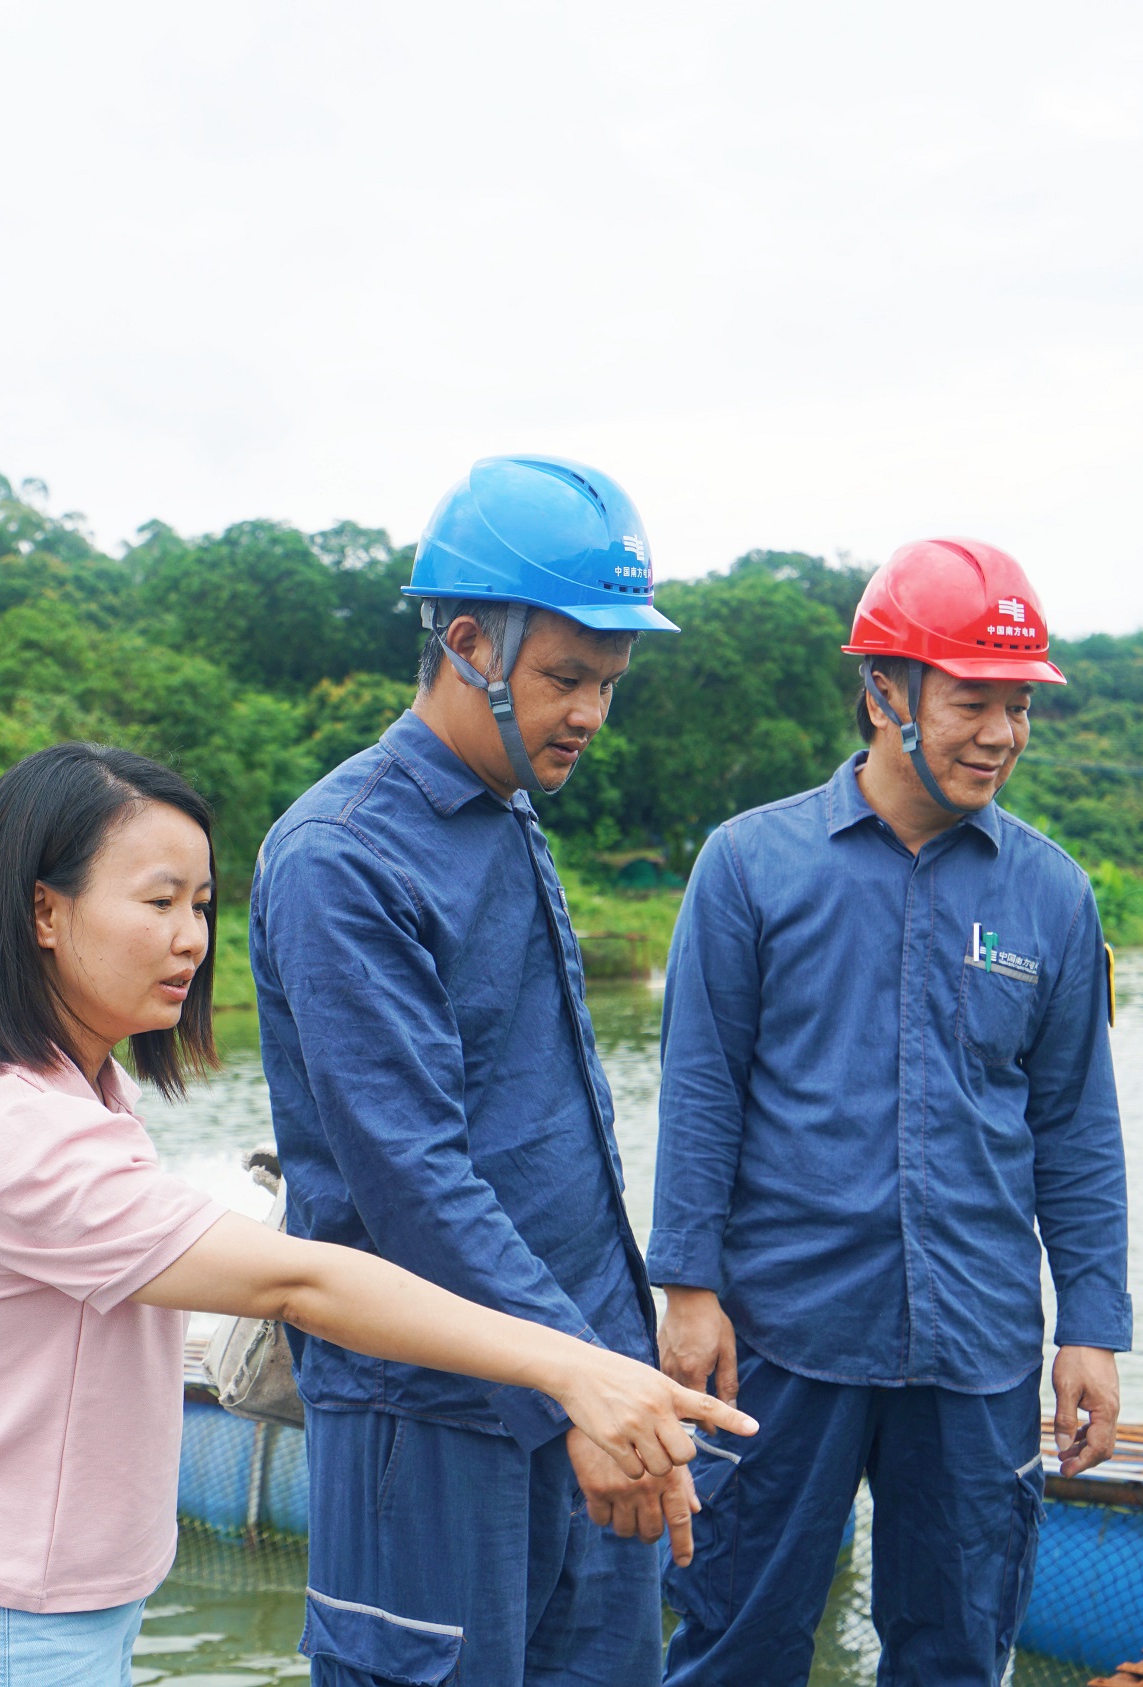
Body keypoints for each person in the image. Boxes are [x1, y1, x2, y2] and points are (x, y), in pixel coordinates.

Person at [0, 741, 750, 1687]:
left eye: (202, 905)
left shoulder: (68, 1089)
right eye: (158, 903)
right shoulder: (23, 1136)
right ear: (44, 909)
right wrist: (574, 1365)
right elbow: (302, 1278)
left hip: (42, 1606)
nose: (192, 939)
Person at [648, 539, 1131, 1687]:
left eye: (1019, 705)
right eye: (974, 700)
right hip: (780, 1332)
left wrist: (1094, 1324)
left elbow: (1074, 1126)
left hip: (975, 1344)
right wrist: (688, 1287)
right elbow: (702, 1088)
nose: (1002, 734)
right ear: (884, 692)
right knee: (738, 1639)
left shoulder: (1051, 894)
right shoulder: (751, 867)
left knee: (957, 1651)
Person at [249, 456, 685, 1687]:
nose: (591, 714)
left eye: (608, 682)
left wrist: (624, 1371)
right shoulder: (344, 856)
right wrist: (580, 1382)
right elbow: (412, 1179)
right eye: (565, 678)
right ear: (465, 642)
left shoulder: (506, 811)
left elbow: (554, 1137)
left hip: (583, 1379)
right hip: (429, 1413)